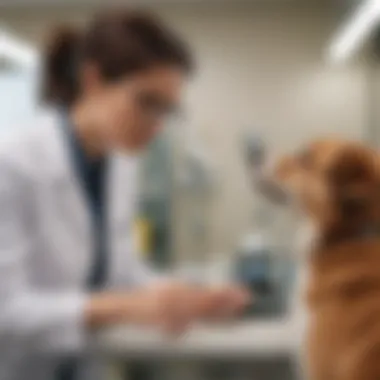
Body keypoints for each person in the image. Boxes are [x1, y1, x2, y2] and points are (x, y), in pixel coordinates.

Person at [0, 9, 249, 380]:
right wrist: (126, 308)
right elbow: (7, 310)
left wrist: (190, 296)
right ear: (93, 80)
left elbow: (122, 270)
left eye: (167, 109)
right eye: (147, 102)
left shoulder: (121, 165)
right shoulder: (13, 162)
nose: (157, 124)